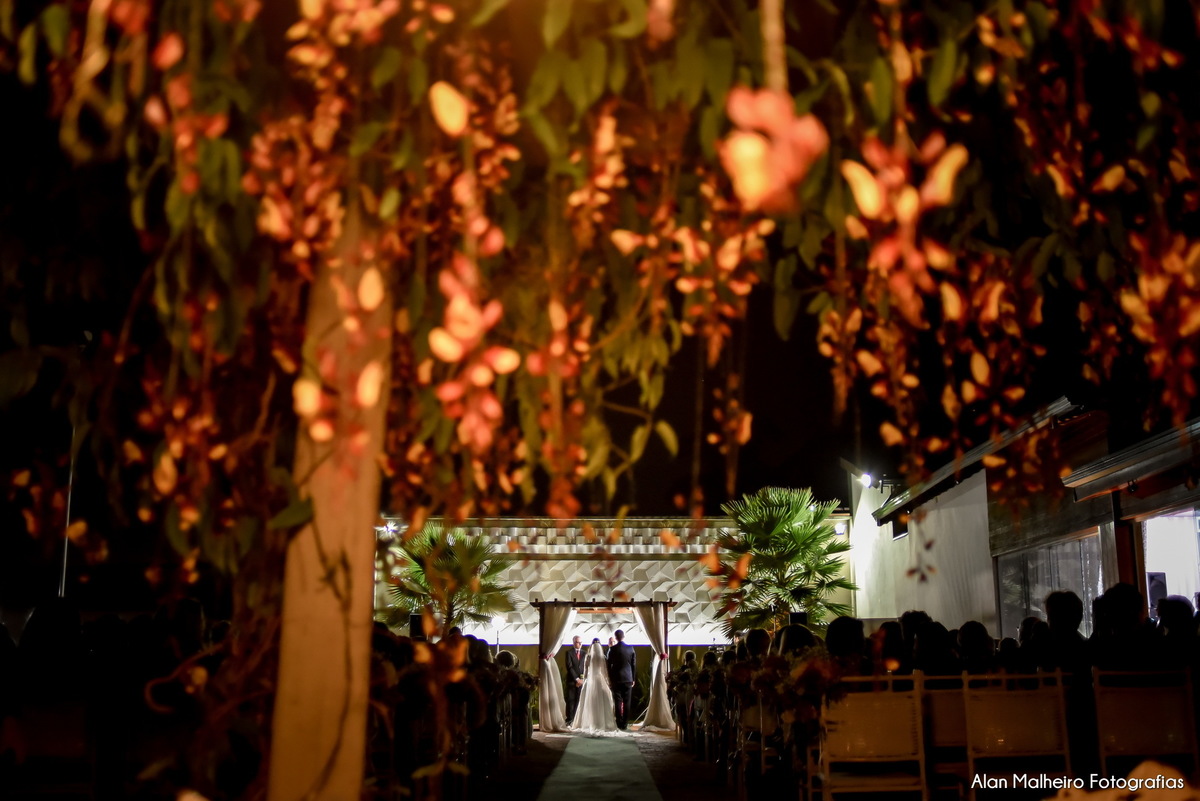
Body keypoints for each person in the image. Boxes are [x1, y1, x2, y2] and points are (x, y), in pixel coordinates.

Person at [572, 640, 617, 733]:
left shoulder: (588, 656)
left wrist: (584, 680)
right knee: (603, 701)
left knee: (587, 701)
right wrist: (607, 681)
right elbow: (605, 672)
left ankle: (587, 722)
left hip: (590, 680)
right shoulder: (602, 657)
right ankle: (602, 722)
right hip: (600, 680)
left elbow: (585, 671)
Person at [607, 629, 636, 730]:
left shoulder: (612, 649)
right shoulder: (630, 648)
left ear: (615, 638)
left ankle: (619, 722)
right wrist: (633, 678)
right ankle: (625, 723)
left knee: (618, 701)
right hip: (628, 678)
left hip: (616, 679)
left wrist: (610, 678)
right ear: (623, 637)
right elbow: (633, 665)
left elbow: (608, 665)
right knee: (627, 701)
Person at [564, 635, 586, 722]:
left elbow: (585, 667)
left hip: (582, 681)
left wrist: (582, 679)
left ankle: (577, 720)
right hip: (572, 681)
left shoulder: (584, 653)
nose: (580, 644)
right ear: (574, 643)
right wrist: (576, 679)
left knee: (578, 700)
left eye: (581, 642)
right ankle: (570, 719)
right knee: (570, 700)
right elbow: (569, 667)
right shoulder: (569, 653)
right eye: (578, 642)